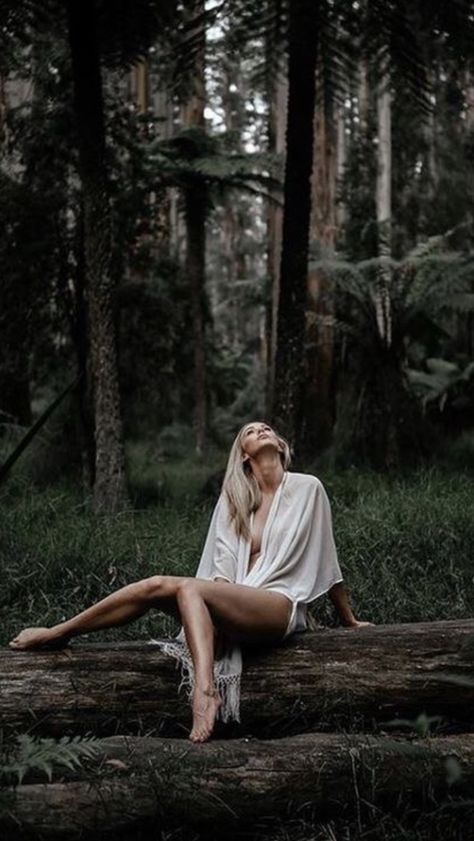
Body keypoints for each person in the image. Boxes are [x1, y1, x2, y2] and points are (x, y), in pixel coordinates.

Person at [9, 421, 373, 743]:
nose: (261, 430)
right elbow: (220, 567)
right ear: (244, 455)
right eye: (250, 430)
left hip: (278, 604)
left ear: (279, 445)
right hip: (235, 602)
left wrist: (349, 620)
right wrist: (219, 610)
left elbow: (327, 558)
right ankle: (59, 633)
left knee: (188, 588)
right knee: (154, 585)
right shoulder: (234, 499)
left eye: (267, 428)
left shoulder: (309, 488)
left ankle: (204, 691)